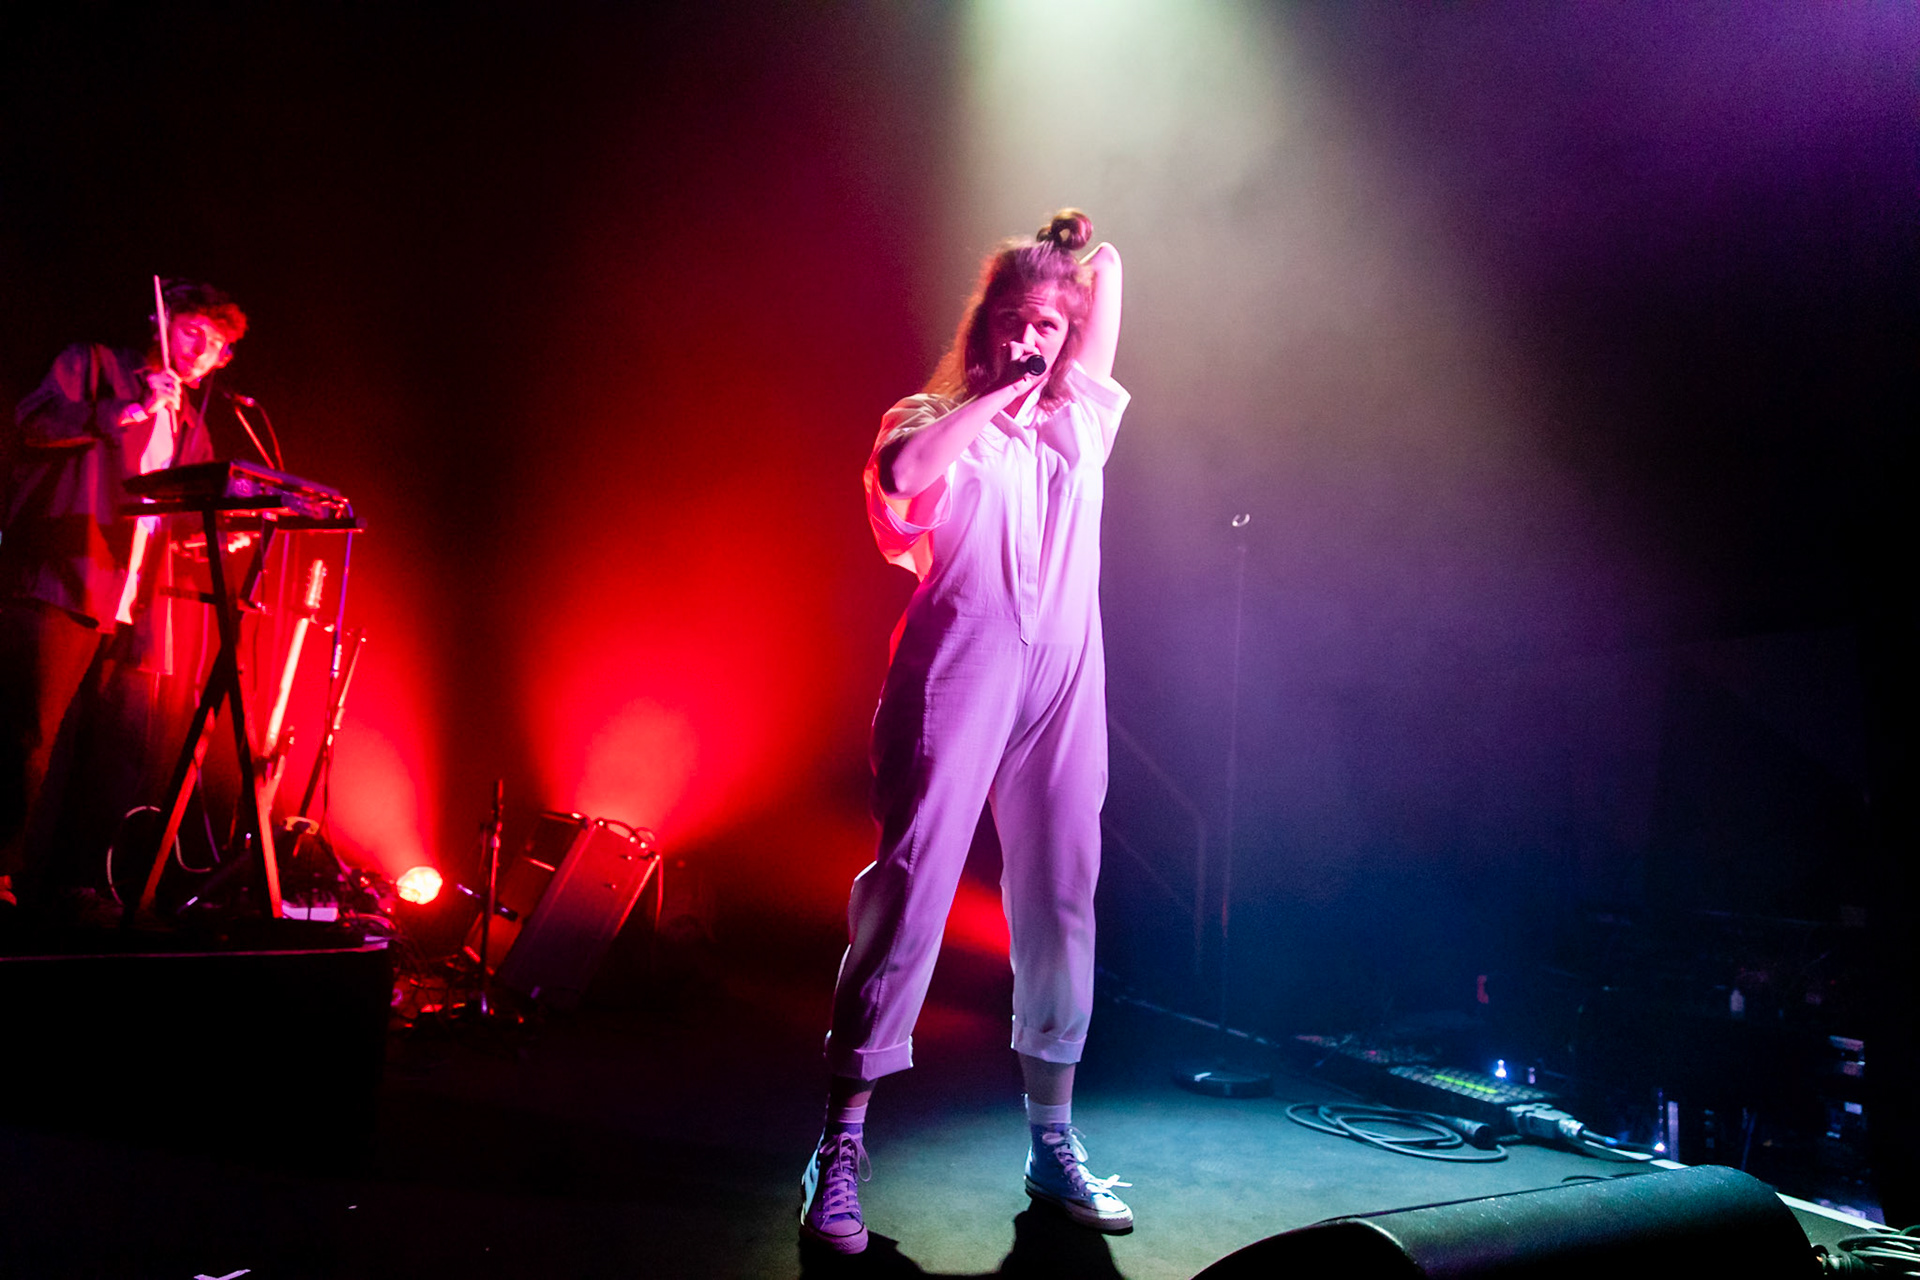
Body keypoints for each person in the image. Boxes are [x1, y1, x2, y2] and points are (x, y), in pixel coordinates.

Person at [802, 211, 1128, 1254]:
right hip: (958, 671)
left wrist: (1081, 256)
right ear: (986, 325)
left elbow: (1106, 287)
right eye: (1018, 319)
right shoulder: (933, 414)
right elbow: (901, 486)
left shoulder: (1080, 424)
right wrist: (997, 389)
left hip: (1063, 680)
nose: (1038, 336)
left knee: (1062, 893)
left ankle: (1052, 1138)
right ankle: (841, 1144)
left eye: (1052, 324)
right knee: (909, 887)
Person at [0, 280, 248, 915]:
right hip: (64, 579)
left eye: (216, 346)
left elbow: (177, 523)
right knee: (28, 737)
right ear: (160, 322)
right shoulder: (95, 366)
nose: (202, 351)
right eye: (193, 331)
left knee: (119, 749)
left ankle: (77, 881)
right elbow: (30, 422)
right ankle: (0, 871)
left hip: (136, 605)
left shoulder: (192, 423)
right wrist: (125, 409)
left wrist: (224, 534)